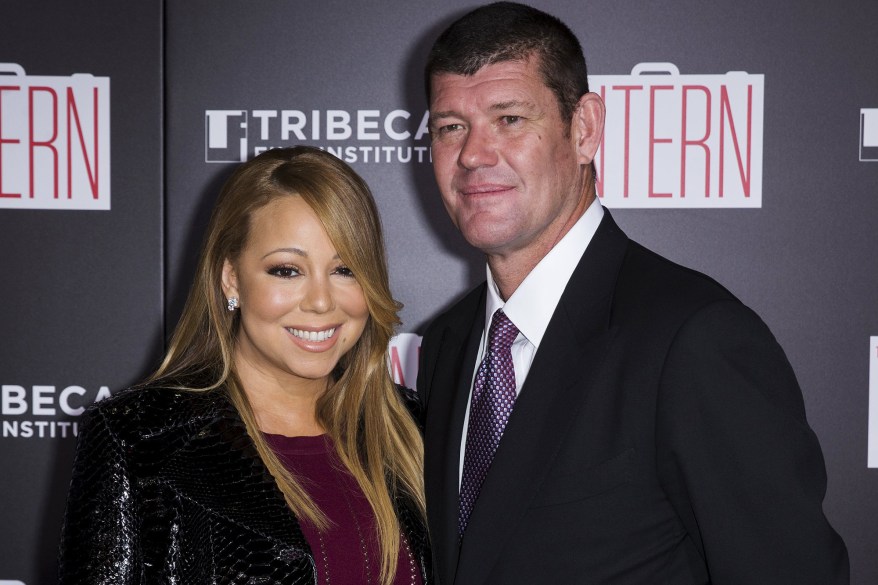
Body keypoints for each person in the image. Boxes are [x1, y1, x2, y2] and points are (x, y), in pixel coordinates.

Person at [416, 2, 849, 584]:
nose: (473, 155)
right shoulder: (446, 343)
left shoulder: (693, 338)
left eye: (510, 119)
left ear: (586, 129)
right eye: (450, 127)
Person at [59, 146, 429, 584]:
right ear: (230, 276)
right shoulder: (141, 439)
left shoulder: (414, 431)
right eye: (287, 270)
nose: (321, 301)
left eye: (345, 269)